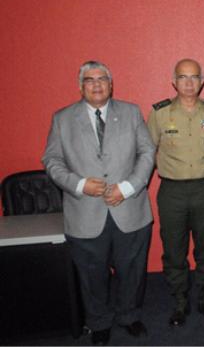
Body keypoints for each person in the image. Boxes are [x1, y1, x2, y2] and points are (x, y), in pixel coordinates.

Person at [42, 61, 155, 346]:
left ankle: (129, 316)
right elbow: (51, 161)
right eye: (89, 80)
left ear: (111, 84)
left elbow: (147, 152)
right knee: (92, 274)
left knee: (132, 270)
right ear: (81, 86)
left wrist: (128, 187)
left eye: (102, 79)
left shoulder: (130, 112)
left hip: (129, 209)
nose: (96, 84)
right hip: (85, 213)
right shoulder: (62, 118)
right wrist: (80, 185)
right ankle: (99, 322)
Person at [146, 59, 204, 326]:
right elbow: (148, 152)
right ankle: (180, 298)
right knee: (174, 248)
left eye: (194, 77)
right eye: (183, 77)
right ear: (174, 81)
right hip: (172, 191)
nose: (189, 83)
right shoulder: (159, 113)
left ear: (202, 81)